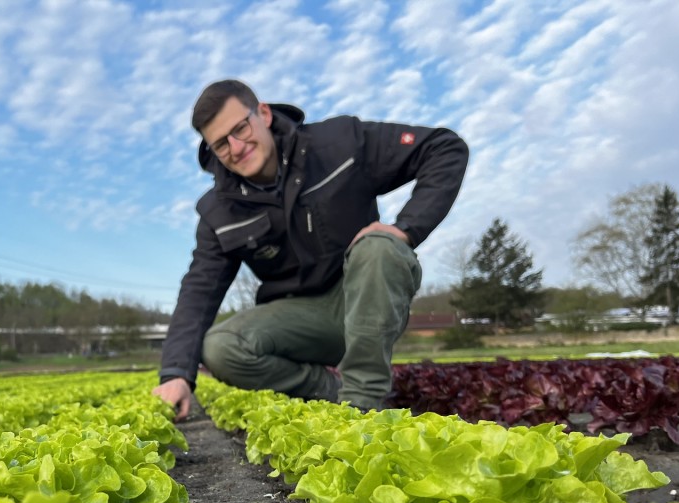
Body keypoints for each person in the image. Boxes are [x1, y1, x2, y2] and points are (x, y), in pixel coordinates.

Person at [152, 79, 468, 421]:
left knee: (381, 246)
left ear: (263, 113)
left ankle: (364, 403)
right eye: (221, 144)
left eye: (240, 128)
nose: (236, 146)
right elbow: (199, 290)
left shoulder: (340, 144)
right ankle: (335, 390)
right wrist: (176, 374)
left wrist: (406, 228)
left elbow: (444, 147)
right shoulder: (219, 210)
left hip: (364, 299)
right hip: (300, 319)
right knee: (220, 347)